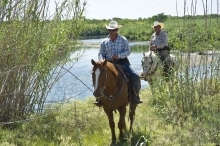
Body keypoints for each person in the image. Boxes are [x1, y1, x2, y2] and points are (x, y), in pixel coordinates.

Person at [94, 20, 143, 107]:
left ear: (117, 30)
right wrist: (102, 62)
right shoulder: (104, 41)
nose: (112, 32)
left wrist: (119, 55)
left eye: (113, 30)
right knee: (98, 76)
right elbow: (100, 53)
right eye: (110, 30)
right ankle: (99, 98)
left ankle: (135, 96)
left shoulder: (123, 39)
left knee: (135, 76)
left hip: (122, 62)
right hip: (107, 63)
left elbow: (128, 51)